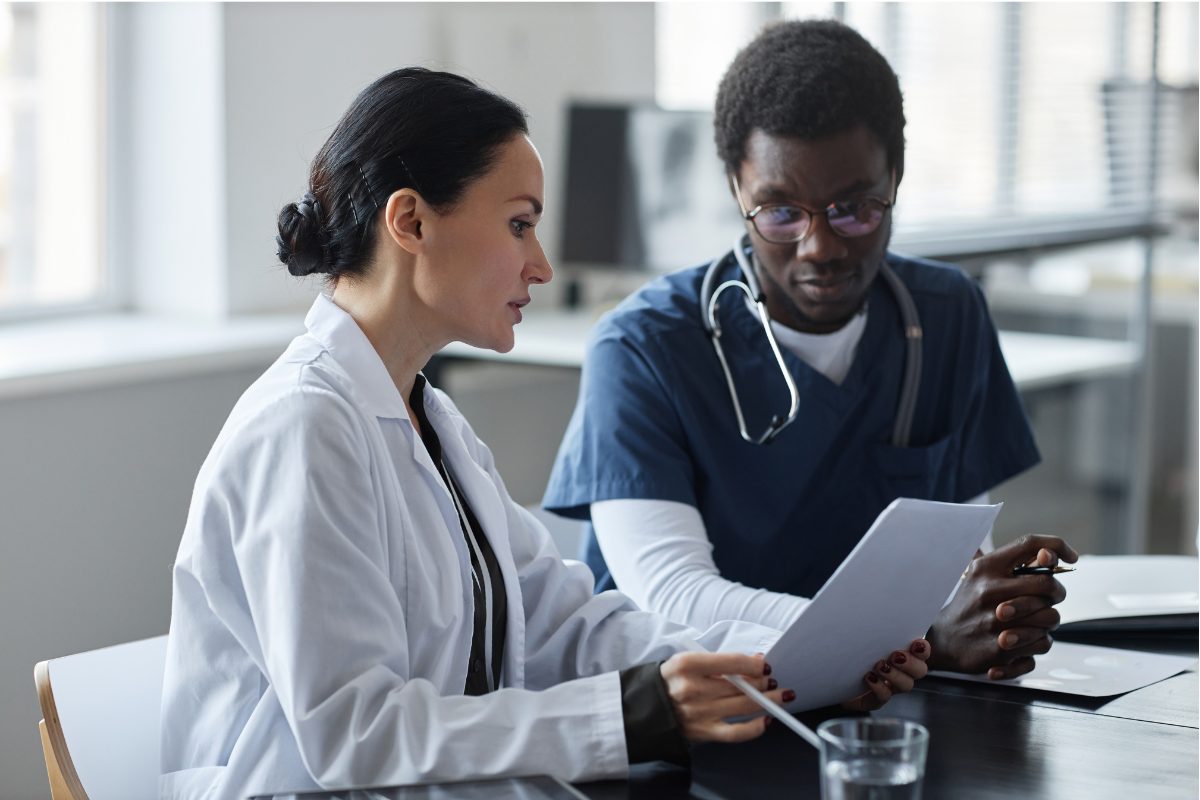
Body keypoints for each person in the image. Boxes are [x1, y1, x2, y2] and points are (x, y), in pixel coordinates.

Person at [159, 68, 930, 800]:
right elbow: (352, 734)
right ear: (412, 220)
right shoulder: (303, 428)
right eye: (519, 225)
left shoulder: (431, 423)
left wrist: (791, 660)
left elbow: (564, 620)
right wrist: (631, 713)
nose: (542, 265)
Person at [544, 19, 1078, 683]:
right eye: (779, 211)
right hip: (689, 712)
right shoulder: (643, 347)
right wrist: (919, 639)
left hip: (873, 701)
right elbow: (672, 596)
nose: (820, 246)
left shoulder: (946, 316)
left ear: (897, 177)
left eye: (854, 207)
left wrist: (996, 609)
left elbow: (956, 565)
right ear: (735, 187)